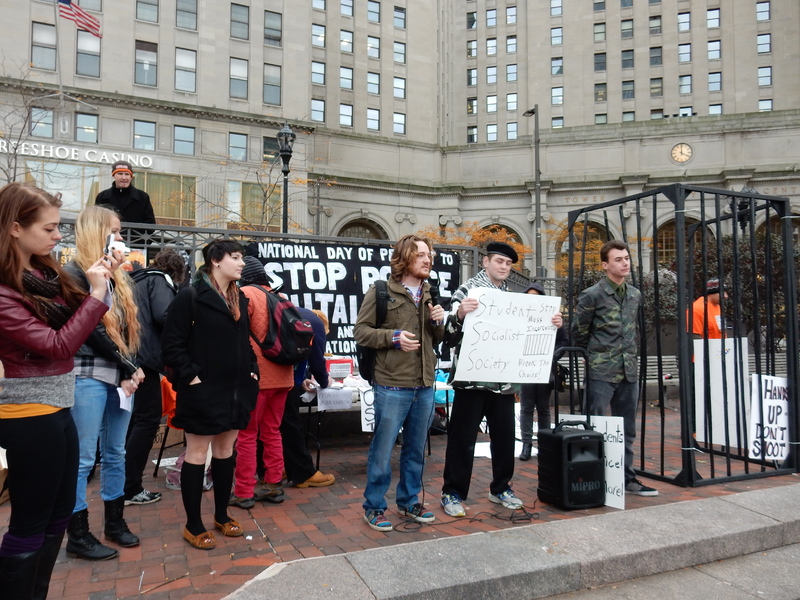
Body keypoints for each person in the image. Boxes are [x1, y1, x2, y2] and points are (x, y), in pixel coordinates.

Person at [0, 183, 113, 598]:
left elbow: (77, 318)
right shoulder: (4, 290)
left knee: (58, 514)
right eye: (48, 229)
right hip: (27, 413)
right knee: (30, 521)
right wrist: (97, 295)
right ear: (15, 228)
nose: (57, 236)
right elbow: (60, 344)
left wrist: (100, 279)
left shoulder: (44, 275)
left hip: (56, 404)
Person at [440, 242, 562, 517]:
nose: (504, 267)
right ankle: (452, 492)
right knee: (462, 438)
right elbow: (447, 336)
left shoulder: (513, 298)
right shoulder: (467, 291)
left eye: (508, 263)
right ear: (485, 262)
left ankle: (501, 487)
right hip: (471, 380)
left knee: (505, 437)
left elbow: (528, 335)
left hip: (503, 383)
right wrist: (459, 314)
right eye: (499, 261)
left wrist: (550, 324)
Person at [161, 240, 259, 550]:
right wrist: (192, 377)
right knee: (197, 453)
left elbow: (245, 342)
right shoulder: (190, 296)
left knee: (226, 451)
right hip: (202, 391)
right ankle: (193, 524)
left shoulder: (239, 299)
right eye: (235, 257)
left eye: (242, 257)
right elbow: (172, 347)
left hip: (234, 391)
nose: (241, 263)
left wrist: (252, 371)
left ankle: (221, 514)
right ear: (215, 260)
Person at [64, 205, 145, 561]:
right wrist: (129, 367)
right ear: (98, 233)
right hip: (87, 374)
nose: (123, 239)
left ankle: (115, 523)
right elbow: (94, 332)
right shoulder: (74, 274)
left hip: (117, 377)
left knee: (115, 452)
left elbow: (130, 332)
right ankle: (78, 536)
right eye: (116, 231)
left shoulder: (117, 276)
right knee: (83, 460)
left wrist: (131, 367)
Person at [354, 234, 445, 531]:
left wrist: (438, 322)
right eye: (420, 254)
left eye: (429, 255)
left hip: (424, 385)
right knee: (383, 449)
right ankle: (374, 506)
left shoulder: (432, 294)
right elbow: (361, 332)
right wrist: (393, 338)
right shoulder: (381, 291)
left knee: (416, 449)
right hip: (392, 385)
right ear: (404, 258)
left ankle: (408, 502)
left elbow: (439, 339)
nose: (427, 259)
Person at [571, 239, 658, 497]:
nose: (624, 263)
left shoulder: (634, 295)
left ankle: (627, 478)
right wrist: (595, 356)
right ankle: (589, 479)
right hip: (601, 371)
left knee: (627, 428)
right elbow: (579, 333)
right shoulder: (592, 295)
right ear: (605, 264)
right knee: (594, 426)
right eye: (618, 259)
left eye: (626, 258)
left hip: (629, 370)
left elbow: (634, 332)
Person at [228, 256, 293, 509]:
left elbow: (237, 332)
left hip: (258, 377)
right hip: (283, 376)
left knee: (246, 435)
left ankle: (244, 491)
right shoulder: (281, 297)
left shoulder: (245, 294)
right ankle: (273, 485)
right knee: (272, 431)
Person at [123, 249, 186, 506]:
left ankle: (123, 485)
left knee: (135, 421)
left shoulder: (138, 279)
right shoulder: (159, 280)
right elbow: (164, 314)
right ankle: (131, 487)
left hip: (131, 357)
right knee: (148, 420)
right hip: (146, 359)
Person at [281, 307, 336, 488]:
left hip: (270, 378)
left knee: (271, 427)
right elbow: (317, 358)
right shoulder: (315, 323)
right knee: (291, 426)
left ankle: (274, 468)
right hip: (283, 382)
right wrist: (325, 381)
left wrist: (301, 378)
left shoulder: (292, 313)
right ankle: (303, 473)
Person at [518, 282, 569, 461]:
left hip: (545, 368)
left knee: (543, 408)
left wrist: (551, 355)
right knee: (526, 407)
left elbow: (564, 341)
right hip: (525, 367)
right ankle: (526, 444)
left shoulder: (553, 318)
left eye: (537, 297)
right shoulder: (520, 317)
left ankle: (544, 444)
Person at [95, 161, 156, 226]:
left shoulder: (143, 197)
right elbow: (96, 222)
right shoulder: (102, 197)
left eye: (127, 174)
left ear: (131, 176)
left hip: (136, 236)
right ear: (113, 175)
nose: (124, 178)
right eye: (120, 174)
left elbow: (150, 224)